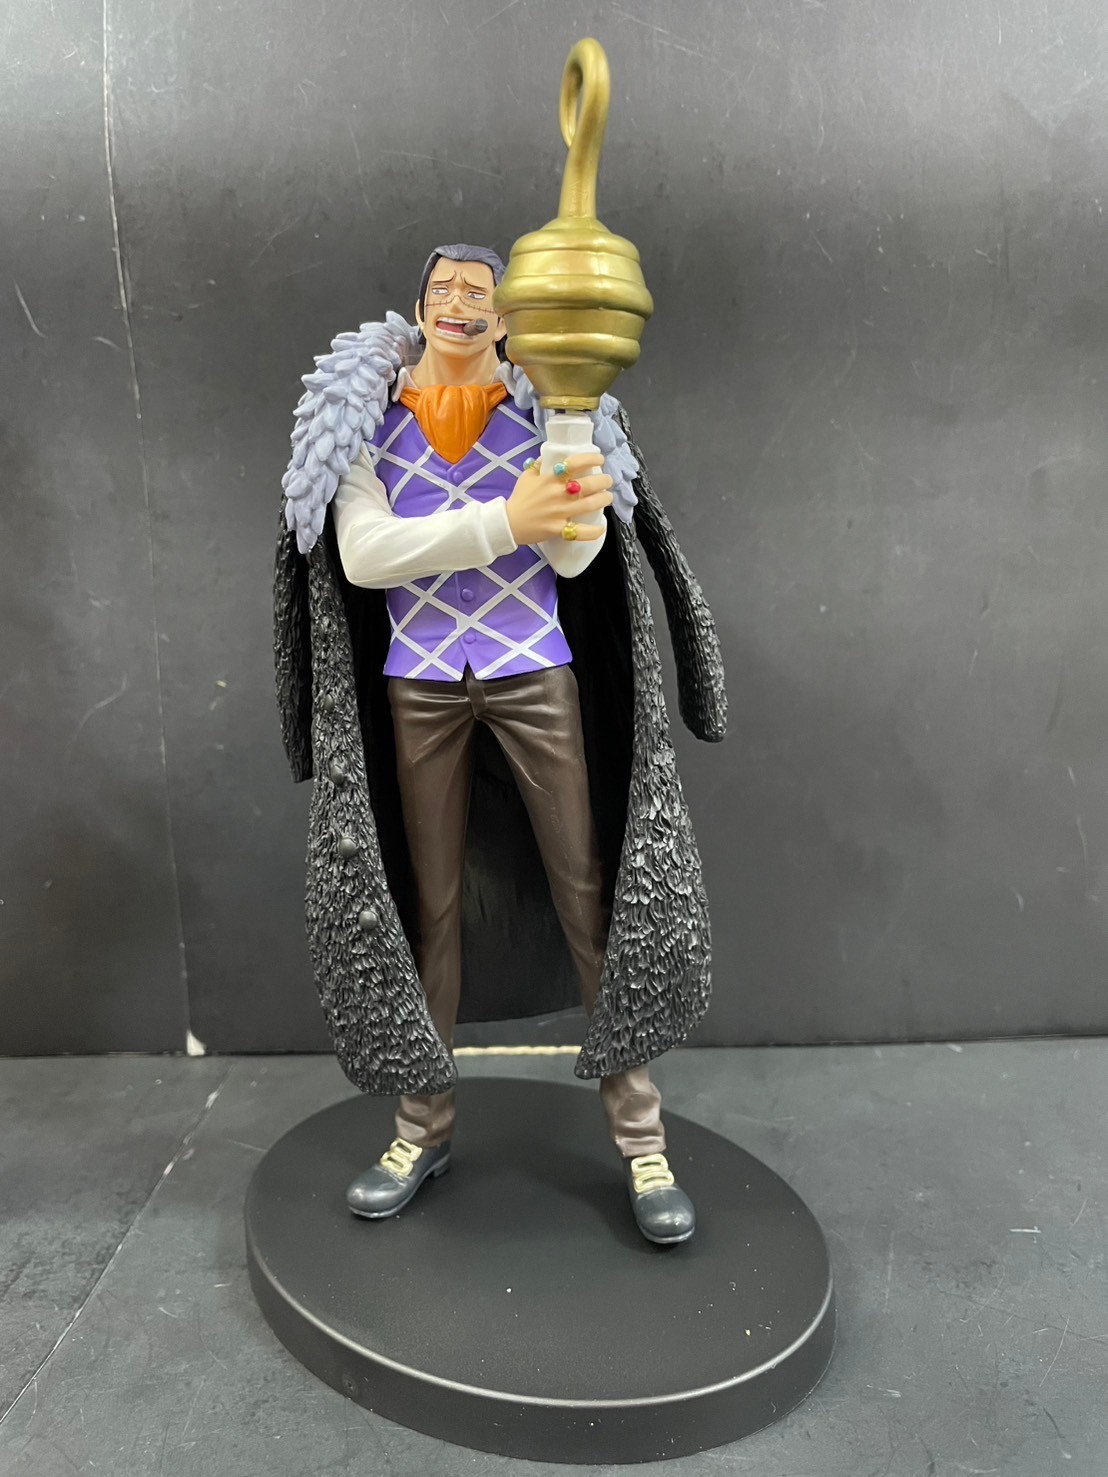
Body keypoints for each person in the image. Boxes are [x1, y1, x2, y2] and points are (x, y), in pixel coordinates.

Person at [274, 243, 727, 1246]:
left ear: (507, 317)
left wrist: (563, 454)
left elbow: (576, 548)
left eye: (477, 293)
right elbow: (365, 553)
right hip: (420, 682)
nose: (458, 305)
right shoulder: (362, 421)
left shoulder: (547, 413)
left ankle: (642, 1139)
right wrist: (507, 518)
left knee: (590, 892)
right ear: (418, 308)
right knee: (426, 906)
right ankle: (421, 1128)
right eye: (442, 290)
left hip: (533, 669)